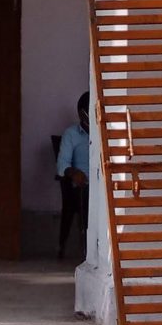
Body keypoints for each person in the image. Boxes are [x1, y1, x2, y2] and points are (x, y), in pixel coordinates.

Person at [53, 91, 92, 261]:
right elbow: (62, 165)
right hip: (82, 185)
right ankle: (87, 251)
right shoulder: (71, 134)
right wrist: (74, 172)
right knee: (87, 196)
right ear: (82, 114)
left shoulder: (105, 133)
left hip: (103, 184)